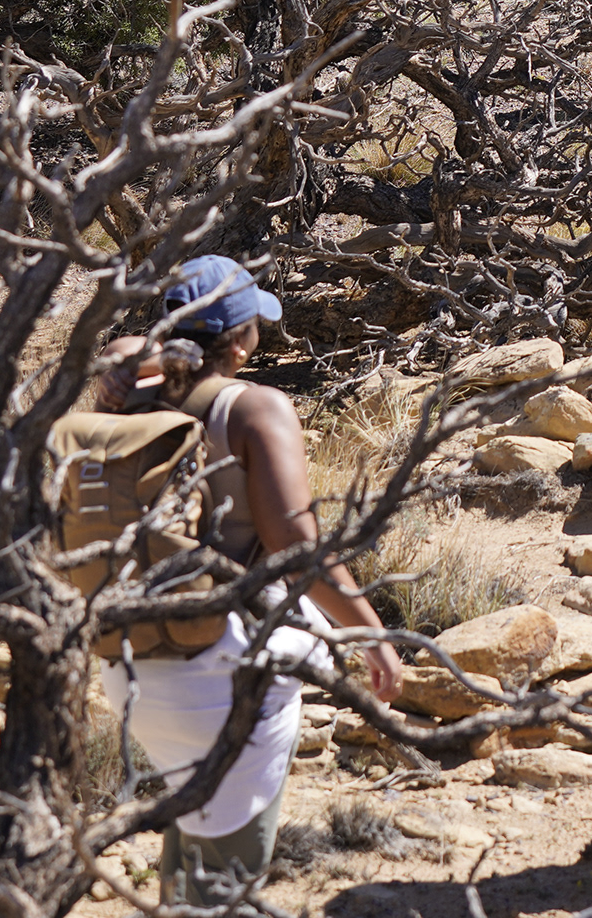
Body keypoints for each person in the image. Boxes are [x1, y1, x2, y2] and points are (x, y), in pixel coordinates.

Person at [94, 257, 408, 910]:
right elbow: (296, 549)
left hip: (134, 663)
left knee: (189, 840)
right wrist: (371, 634)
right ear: (238, 340)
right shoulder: (252, 406)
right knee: (229, 879)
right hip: (224, 674)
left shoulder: (136, 397)